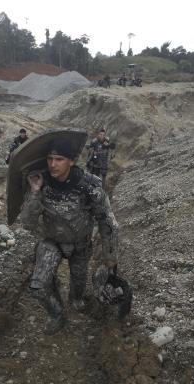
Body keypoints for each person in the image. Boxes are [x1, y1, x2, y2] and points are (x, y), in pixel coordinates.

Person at [20, 139, 118, 334]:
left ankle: (75, 299)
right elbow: (27, 222)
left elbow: (107, 221)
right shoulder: (42, 182)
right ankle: (57, 314)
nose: (52, 164)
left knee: (78, 287)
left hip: (80, 245)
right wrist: (34, 192)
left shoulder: (89, 185)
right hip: (52, 242)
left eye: (59, 159)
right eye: (49, 159)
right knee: (38, 288)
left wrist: (109, 256)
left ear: (72, 161)